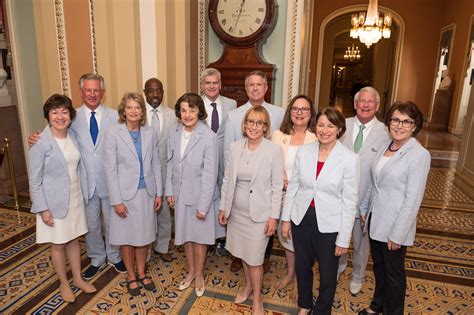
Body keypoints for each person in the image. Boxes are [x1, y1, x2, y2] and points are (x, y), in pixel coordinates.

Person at [28, 73, 126, 279]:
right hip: (84, 183)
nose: (92, 94)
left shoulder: (115, 116)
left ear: (103, 93)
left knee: (112, 222)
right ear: (81, 93)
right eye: (87, 90)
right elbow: (53, 134)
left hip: (110, 182)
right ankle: (97, 258)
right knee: (91, 225)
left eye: (96, 90)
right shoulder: (72, 117)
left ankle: (115, 256)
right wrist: (35, 137)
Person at [281, 107, 358, 315]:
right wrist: (286, 219)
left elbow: (350, 202)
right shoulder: (304, 152)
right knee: (303, 266)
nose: (325, 130)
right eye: (321, 125)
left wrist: (344, 238)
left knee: (327, 272)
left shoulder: (349, 159)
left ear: (339, 129)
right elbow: (294, 187)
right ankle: (305, 304)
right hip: (302, 218)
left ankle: (322, 310)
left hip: (330, 224)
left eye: (330, 126)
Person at [358, 102, 431, 315]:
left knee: (394, 275)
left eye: (406, 121)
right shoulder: (386, 146)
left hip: (395, 225)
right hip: (375, 220)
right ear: (389, 122)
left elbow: (413, 198)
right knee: (379, 268)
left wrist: (398, 233)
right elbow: (374, 181)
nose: (400, 125)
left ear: (415, 125)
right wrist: (364, 209)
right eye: (396, 120)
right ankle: (377, 306)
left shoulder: (418, 154)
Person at [28, 94, 96, 303]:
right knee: (58, 245)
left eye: (64, 112)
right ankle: (64, 283)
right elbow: (34, 179)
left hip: (75, 199)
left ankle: (77, 278)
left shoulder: (72, 136)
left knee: (74, 240)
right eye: (54, 112)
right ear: (48, 116)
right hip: (53, 204)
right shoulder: (40, 142)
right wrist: (43, 209)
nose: (60, 116)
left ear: (70, 115)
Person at [219, 106, 284, 315]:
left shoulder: (273, 150)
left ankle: (257, 299)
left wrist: (274, 217)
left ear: (265, 127)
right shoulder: (235, 147)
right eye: (251, 122)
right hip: (236, 214)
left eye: (259, 123)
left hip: (260, 216)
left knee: (255, 259)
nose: (254, 127)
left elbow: (276, 187)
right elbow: (228, 179)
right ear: (244, 124)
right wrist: (223, 207)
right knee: (243, 254)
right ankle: (247, 285)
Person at [223, 70, 284, 273]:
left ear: (266, 88)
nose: (256, 88)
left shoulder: (279, 113)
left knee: (260, 243)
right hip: (240, 184)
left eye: (260, 85)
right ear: (246, 88)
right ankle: (239, 258)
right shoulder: (233, 116)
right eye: (251, 85)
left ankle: (263, 257)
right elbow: (228, 153)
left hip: (263, 189)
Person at [103, 92, 163, 296]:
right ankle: (130, 275)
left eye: (137, 107)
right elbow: (110, 169)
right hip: (124, 195)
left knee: (144, 236)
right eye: (130, 107)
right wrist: (116, 200)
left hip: (147, 193)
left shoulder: (150, 132)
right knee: (127, 238)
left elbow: (156, 163)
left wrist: (159, 193)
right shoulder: (113, 133)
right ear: (123, 111)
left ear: (142, 111)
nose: (134, 111)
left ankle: (142, 272)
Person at [337, 86, 390, 295]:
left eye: (370, 102)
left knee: (361, 241)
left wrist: (367, 203)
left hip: (366, 197)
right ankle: (339, 266)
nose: (365, 105)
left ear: (377, 106)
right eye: (362, 101)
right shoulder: (342, 125)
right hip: (339, 195)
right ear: (354, 104)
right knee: (338, 235)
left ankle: (358, 275)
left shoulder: (385, 132)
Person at [165, 93, 218, 297]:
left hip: (199, 198)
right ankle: (190, 271)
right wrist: (169, 190)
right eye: (184, 110)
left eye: (192, 110)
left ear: (200, 112)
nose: (187, 114)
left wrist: (203, 206)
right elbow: (170, 162)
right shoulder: (175, 132)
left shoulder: (209, 137)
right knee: (185, 236)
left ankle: (199, 275)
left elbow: (210, 174)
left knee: (199, 239)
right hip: (179, 196)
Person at [271, 95, 317, 300]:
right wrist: (282, 182)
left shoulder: (317, 137)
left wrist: (297, 185)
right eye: (295, 109)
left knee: (303, 241)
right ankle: (290, 272)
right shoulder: (278, 135)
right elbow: (272, 165)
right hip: (281, 196)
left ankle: (301, 279)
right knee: (286, 238)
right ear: (290, 112)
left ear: (311, 114)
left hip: (306, 199)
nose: (299, 113)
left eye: (304, 109)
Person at [200, 68, 237, 256]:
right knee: (205, 194)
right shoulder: (195, 104)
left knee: (224, 194)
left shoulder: (232, 104)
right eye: (208, 83)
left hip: (225, 156)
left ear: (220, 85)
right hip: (202, 159)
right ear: (202, 86)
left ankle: (222, 238)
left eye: (215, 83)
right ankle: (205, 238)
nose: (212, 86)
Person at [143, 78, 176, 263]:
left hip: (165, 173)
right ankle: (145, 251)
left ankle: (162, 246)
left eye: (158, 91)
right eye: (151, 91)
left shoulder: (172, 115)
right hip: (145, 175)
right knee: (146, 215)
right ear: (144, 92)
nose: (155, 95)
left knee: (164, 214)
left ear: (163, 92)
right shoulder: (137, 115)